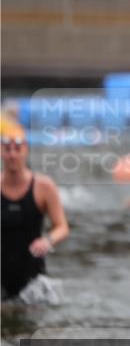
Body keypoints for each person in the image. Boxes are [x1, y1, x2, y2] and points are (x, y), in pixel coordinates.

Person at [1, 115, 70, 303]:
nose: (12, 154)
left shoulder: (44, 186)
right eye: (7, 149)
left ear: (26, 150)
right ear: (1, 152)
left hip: (33, 281)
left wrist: (47, 240)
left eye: (17, 148)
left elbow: (62, 227)